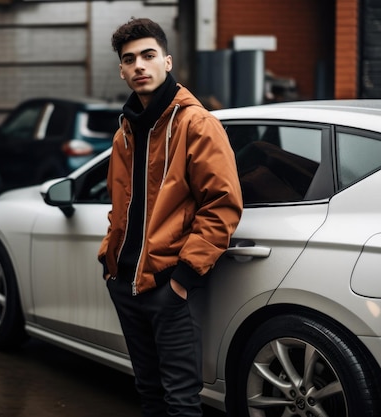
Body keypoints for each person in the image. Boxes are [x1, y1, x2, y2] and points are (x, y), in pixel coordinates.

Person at [98, 17, 243, 417]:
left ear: (167, 60)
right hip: (126, 283)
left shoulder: (197, 125)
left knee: (180, 400)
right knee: (148, 392)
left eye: (148, 55)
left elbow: (222, 206)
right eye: (130, 60)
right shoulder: (125, 130)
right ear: (123, 70)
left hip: (167, 287)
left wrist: (182, 279)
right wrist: (111, 262)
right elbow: (121, 204)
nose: (139, 66)